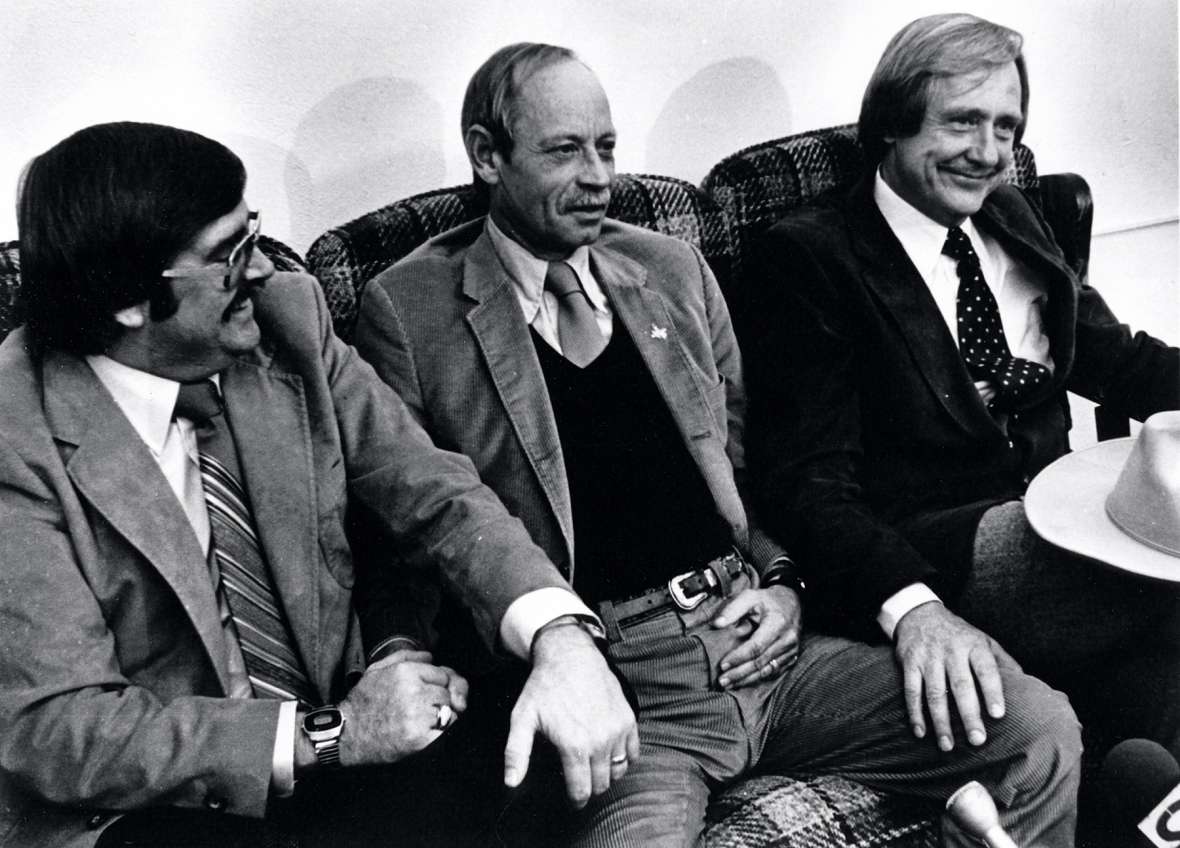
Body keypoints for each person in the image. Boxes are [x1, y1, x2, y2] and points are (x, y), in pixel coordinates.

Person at [354, 41, 1082, 847]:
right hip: (625, 687)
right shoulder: (411, 311)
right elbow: (406, 527)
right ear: (487, 156)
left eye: (607, 148)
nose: (599, 177)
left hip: (760, 635)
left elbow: (758, 467)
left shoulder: (670, 268)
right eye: (565, 150)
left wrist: (785, 581)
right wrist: (393, 654)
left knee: (1039, 731)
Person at [0, 121, 635, 848]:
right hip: (159, 803)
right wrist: (329, 736)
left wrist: (559, 635)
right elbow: (60, 726)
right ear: (128, 301)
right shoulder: (15, 435)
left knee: (558, 709)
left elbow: (434, 492)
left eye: (255, 234)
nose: (263, 270)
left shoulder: (288, 322)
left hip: (341, 749)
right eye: (229, 257)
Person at [744, 12, 1180, 768]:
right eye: (963, 123)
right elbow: (806, 483)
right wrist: (913, 608)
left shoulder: (1012, 213)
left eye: (1006, 128)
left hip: (1061, 518)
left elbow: (1124, 362)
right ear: (893, 122)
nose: (989, 154)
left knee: (1160, 690)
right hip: (935, 548)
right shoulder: (811, 257)